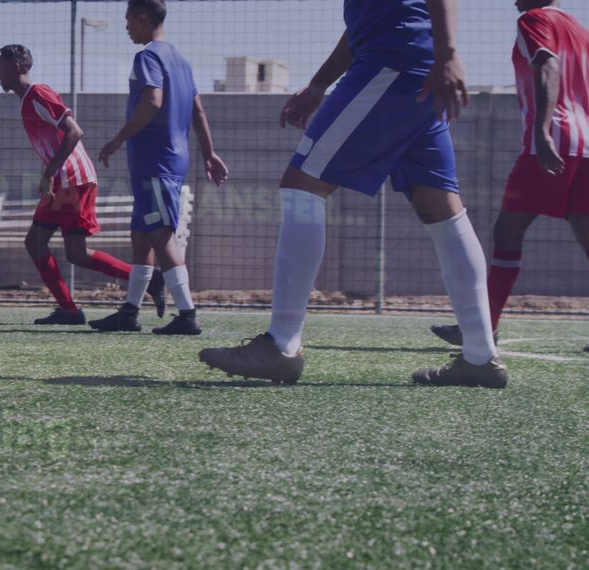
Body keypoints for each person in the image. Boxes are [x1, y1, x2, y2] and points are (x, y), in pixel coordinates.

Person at [198, 0, 509, 388]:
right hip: (412, 68)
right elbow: (366, 20)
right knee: (440, 208)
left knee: (301, 185)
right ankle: (480, 356)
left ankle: (281, 345)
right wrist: (319, 83)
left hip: (391, 64)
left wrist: (448, 53)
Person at [432, 0, 589, 347]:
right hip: (586, 145)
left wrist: (543, 131)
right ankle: (482, 324)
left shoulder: (535, 19)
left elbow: (548, 65)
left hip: (554, 139)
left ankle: (483, 326)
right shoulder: (580, 29)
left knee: (507, 232)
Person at [0, 44, 166, 325]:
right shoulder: (27, 100)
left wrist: (49, 172)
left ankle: (143, 281)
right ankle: (72, 309)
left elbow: (74, 132)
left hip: (74, 182)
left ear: (16, 67)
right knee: (51, 247)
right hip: (62, 184)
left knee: (61, 249)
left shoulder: (38, 93)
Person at [91, 0, 229, 335]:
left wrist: (118, 139)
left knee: (160, 233)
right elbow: (198, 111)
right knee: (141, 235)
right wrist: (209, 153)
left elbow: (153, 101)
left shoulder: (147, 56)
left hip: (155, 161)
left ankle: (188, 314)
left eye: (128, 20)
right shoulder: (180, 60)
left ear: (142, 18)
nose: (126, 27)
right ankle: (129, 312)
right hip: (167, 161)